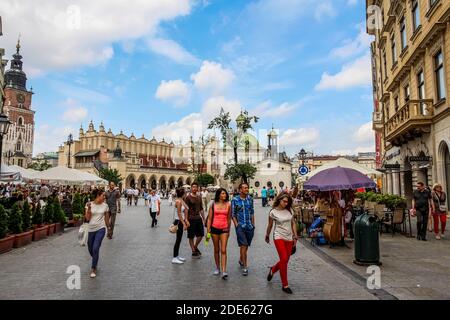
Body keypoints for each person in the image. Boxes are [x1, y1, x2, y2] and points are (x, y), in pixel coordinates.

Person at [265, 192, 298, 294]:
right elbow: (270, 225)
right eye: (284, 201)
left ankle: (273, 270)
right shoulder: (273, 212)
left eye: (287, 201)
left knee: (285, 260)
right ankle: (285, 285)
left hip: (289, 238)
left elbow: (293, 223)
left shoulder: (290, 210)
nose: (286, 203)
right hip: (278, 236)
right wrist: (267, 235)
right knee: (283, 259)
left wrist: (295, 235)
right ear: (279, 200)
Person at [84, 189, 111, 278]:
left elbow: (106, 218)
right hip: (91, 229)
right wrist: (89, 209)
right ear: (98, 196)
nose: (104, 197)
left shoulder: (105, 206)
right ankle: (95, 259)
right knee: (91, 249)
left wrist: (109, 228)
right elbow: (87, 219)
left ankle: (93, 268)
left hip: (101, 228)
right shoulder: (89, 204)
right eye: (103, 195)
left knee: (95, 248)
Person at [206, 188, 231, 279]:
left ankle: (224, 270)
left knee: (223, 250)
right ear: (219, 195)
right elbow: (209, 218)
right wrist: (208, 230)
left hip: (224, 229)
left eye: (225, 193)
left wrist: (228, 230)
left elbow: (229, 219)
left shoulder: (228, 205)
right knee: (216, 249)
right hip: (214, 229)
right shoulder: (213, 205)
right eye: (223, 193)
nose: (224, 195)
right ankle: (217, 267)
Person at [231, 183, 255, 276]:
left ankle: (241, 259)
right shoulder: (235, 200)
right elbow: (233, 214)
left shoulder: (250, 199)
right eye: (245, 188)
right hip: (240, 226)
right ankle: (245, 267)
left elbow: (252, 212)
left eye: (247, 188)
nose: (247, 189)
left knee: (246, 246)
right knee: (244, 245)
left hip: (249, 226)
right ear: (240, 190)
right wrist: (237, 225)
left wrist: (253, 225)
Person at [184, 182, 205, 258]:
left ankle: (195, 246)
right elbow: (186, 209)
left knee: (201, 235)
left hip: (198, 218)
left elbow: (201, 209)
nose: (194, 188)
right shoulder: (188, 197)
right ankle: (193, 251)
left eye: (196, 187)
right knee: (191, 236)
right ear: (191, 188)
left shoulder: (199, 197)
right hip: (191, 219)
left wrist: (204, 219)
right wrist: (186, 219)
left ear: (198, 188)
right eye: (193, 187)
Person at [172, 188, 190, 264]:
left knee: (179, 239)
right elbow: (179, 214)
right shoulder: (178, 201)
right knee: (178, 240)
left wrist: (186, 220)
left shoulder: (181, 201)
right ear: (182, 194)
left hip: (181, 221)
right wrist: (183, 223)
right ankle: (174, 257)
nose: (186, 194)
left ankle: (177, 255)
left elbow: (186, 209)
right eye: (185, 193)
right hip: (178, 221)